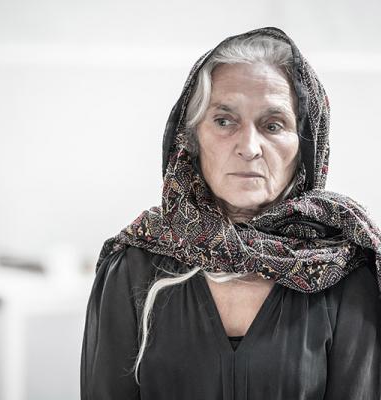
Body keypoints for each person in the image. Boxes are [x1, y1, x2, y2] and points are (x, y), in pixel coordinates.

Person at [80, 27, 381, 399]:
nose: (249, 147)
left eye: (273, 125)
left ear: (304, 146)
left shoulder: (346, 274)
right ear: (191, 139)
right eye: (224, 121)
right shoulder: (133, 266)